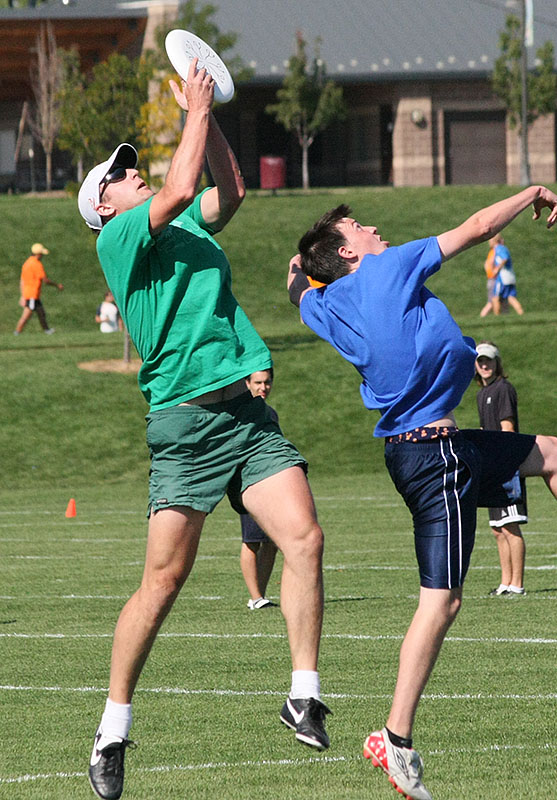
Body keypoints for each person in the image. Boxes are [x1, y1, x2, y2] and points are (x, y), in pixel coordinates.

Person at [287, 187, 557, 800]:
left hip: (430, 451)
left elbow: (298, 285)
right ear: (349, 254)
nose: (373, 228)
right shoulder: (385, 266)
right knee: (442, 602)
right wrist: (535, 192)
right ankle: (394, 738)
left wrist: (304, 263)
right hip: (436, 457)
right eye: (358, 227)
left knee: (552, 453)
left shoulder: (327, 305)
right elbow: (481, 224)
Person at [79, 59, 328, 800]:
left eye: (132, 168)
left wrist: (211, 113)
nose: (135, 174)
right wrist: (193, 107)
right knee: (164, 582)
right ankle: (113, 728)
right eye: (122, 174)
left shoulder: (181, 218)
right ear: (104, 206)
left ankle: (303, 693)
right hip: (184, 423)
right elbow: (183, 182)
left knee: (306, 539)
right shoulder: (117, 241)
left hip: (243, 416)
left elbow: (231, 190)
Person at [474, 341, 527, 596]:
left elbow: (508, 430)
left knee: (511, 525)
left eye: (489, 361)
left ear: (497, 363)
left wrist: (502, 463)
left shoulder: (503, 389)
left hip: (504, 465)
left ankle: (517, 583)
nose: (485, 365)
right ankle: (505, 582)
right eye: (480, 361)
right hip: (491, 467)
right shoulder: (481, 393)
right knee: (498, 529)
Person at [240, 369, 280, 610]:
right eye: (257, 383)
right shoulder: (242, 413)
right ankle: (255, 597)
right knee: (252, 540)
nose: (262, 387)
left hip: (272, 482)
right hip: (249, 482)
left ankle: (260, 596)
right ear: (247, 383)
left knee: (272, 541)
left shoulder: (270, 413)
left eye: (266, 382)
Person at [13, 242, 63, 335]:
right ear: (38, 254)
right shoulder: (36, 264)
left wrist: (23, 295)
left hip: (29, 293)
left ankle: (47, 330)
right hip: (32, 294)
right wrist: (57, 285)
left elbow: (22, 280)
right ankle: (17, 332)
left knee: (41, 312)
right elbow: (45, 280)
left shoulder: (27, 263)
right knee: (26, 315)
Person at [489, 233, 524, 316]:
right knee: (511, 297)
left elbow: (505, 258)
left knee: (495, 298)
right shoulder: (504, 248)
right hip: (510, 275)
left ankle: (496, 317)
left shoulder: (498, 248)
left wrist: (497, 269)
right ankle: (521, 313)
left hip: (503, 277)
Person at [478, 240, 498, 317]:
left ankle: (503, 317)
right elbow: (488, 264)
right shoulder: (494, 252)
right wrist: (495, 271)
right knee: (491, 302)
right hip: (493, 279)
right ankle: (482, 316)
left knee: (499, 301)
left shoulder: (492, 252)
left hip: (491, 279)